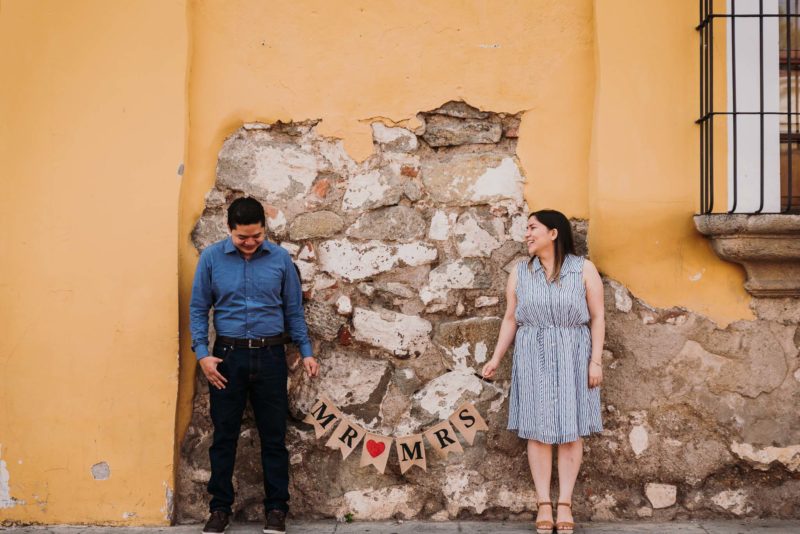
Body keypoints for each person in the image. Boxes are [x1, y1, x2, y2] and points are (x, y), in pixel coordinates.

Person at [190, 197, 319, 534]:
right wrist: (203, 355)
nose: (249, 243)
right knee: (224, 437)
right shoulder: (211, 259)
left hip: (271, 358)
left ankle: (276, 510)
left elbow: (294, 311)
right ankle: (219, 509)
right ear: (229, 229)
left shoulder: (280, 260)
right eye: (242, 237)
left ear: (265, 229)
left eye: (257, 236)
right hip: (226, 359)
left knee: (274, 437)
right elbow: (198, 309)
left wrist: (306, 351)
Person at [482, 209, 604, 534]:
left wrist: (595, 361)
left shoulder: (583, 269)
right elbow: (511, 318)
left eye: (532, 227)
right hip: (532, 355)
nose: (527, 233)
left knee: (570, 428)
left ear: (554, 233)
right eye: (526, 228)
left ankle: (564, 501)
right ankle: (543, 503)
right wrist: (496, 358)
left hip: (573, 355)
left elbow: (598, 317)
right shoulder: (520, 272)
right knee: (537, 429)